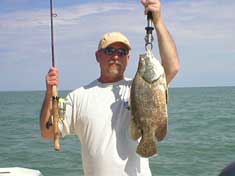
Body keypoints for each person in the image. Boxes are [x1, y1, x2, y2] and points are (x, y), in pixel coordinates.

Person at [40, 0, 180, 175]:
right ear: (98, 56)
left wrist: (157, 21)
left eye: (121, 52)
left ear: (128, 58)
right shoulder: (78, 97)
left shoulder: (139, 86)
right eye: (109, 51)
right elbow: (47, 133)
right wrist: (48, 92)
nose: (116, 56)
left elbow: (172, 67)